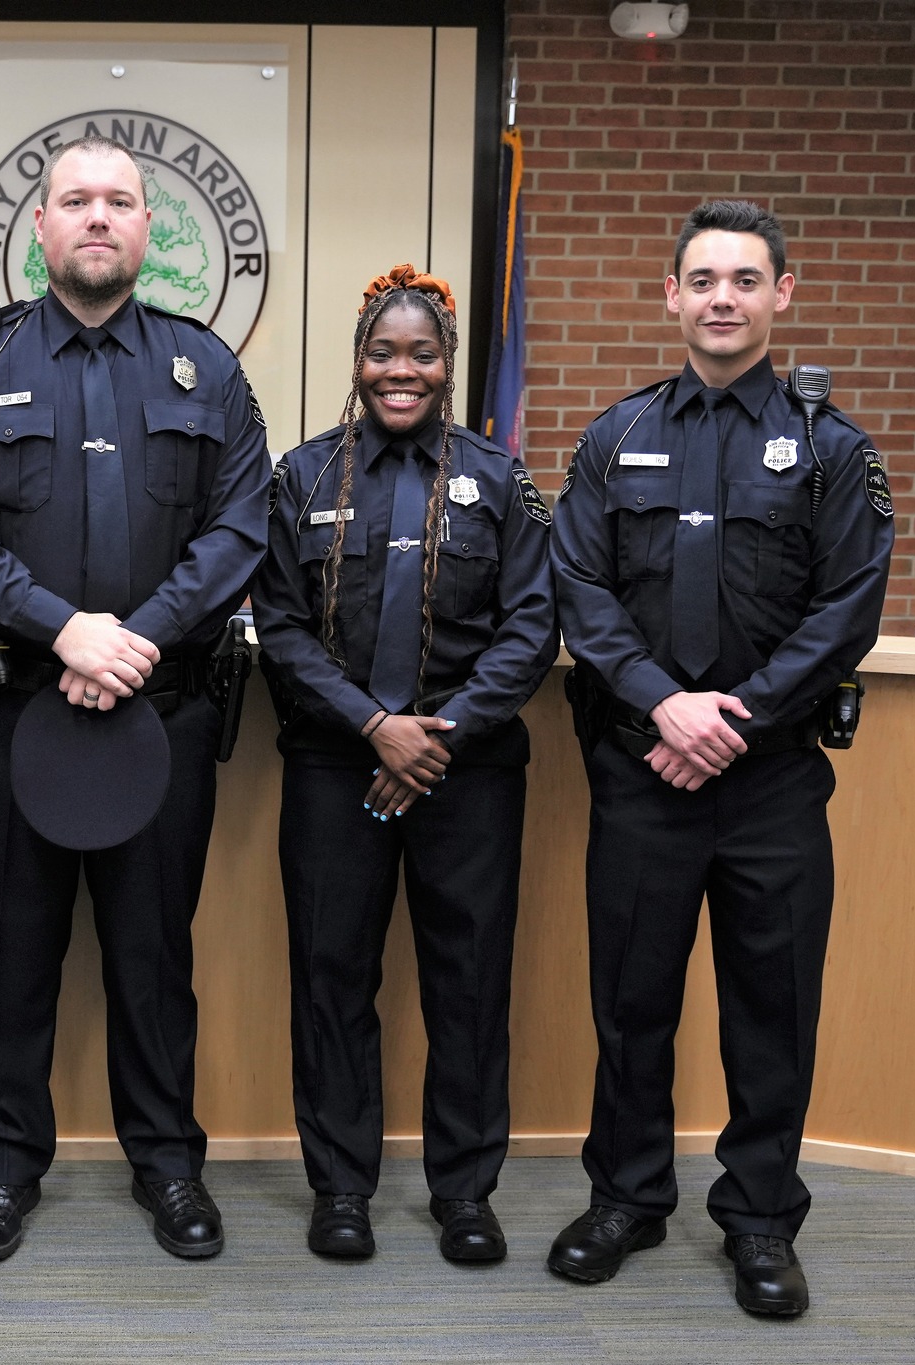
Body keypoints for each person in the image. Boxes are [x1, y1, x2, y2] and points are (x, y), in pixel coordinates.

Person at [0, 135, 270, 1262]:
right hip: (11, 713)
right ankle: (3, 1169)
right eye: (75, 201)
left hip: (159, 717)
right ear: (39, 228)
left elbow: (239, 525)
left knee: (154, 959)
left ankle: (168, 1168)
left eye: (119, 201)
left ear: (149, 230)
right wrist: (63, 628)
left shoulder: (205, 369)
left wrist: (133, 640)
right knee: (8, 955)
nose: (97, 218)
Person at [548, 199, 894, 1316]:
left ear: (780, 296)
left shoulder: (832, 450)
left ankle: (757, 1220)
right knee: (630, 1003)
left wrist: (729, 718)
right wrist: (663, 709)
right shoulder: (613, 439)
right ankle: (627, 1200)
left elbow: (846, 607)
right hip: (642, 773)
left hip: (771, 782)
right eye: (701, 280)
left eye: (744, 280)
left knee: (769, 1006)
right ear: (670, 296)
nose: (721, 299)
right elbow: (580, 593)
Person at [253, 267, 557, 1263]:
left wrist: (435, 736)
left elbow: (529, 628)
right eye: (381, 352)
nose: (399, 369)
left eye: (419, 353)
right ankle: (339, 1188)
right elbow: (281, 628)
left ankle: (462, 1195)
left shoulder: (497, 480)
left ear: (445, 365)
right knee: (330, 977)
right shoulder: (300, 477)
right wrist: (371, 728)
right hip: (333, 772)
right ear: (357, 361)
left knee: (465, 984)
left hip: (465, 778)